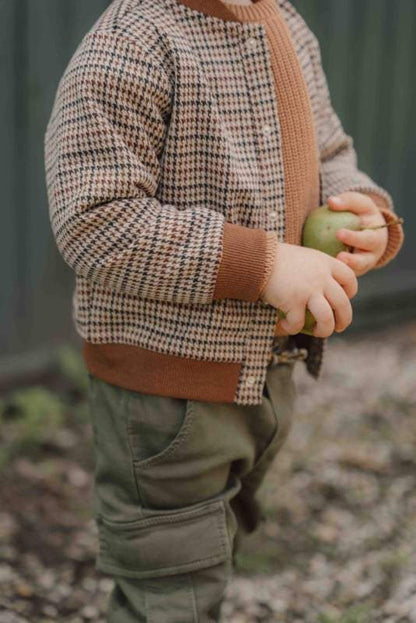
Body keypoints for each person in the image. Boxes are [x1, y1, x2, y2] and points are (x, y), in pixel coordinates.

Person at [44, 0, 405, 619]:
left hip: (263, 372)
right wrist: (262, 265)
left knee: (211, 549)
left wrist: (361, 210)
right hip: (165, 389)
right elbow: (94, 222)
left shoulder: (284, 24)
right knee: (169, 588)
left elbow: (331, 152)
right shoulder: (133, 41)